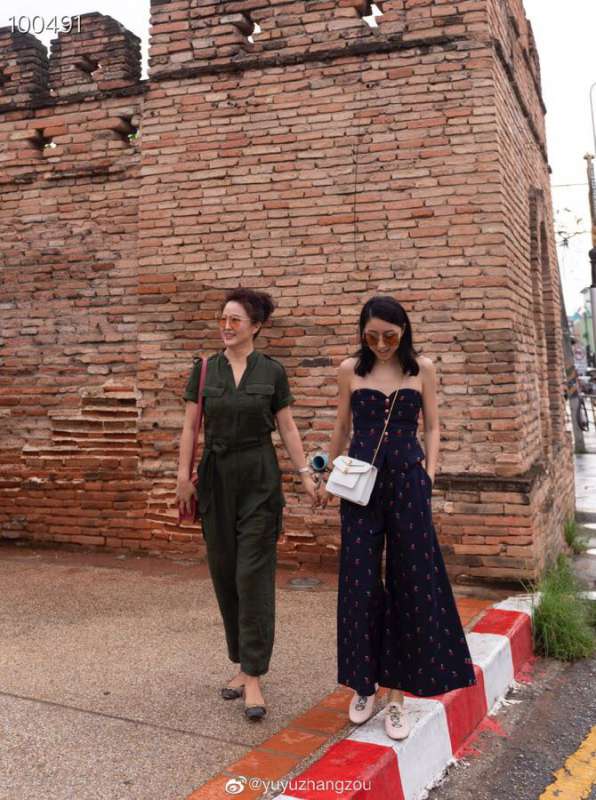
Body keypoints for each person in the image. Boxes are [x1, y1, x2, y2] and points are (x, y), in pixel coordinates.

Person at [320, 295, 476, 740]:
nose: (381, 344)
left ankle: (396, 695)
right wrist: (327, 475)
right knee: (360, 582)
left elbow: (433, 425)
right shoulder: (350, 370)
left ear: (403, 331)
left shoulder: (421, 368)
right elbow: (342, 427)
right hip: (360, 484)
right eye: (372, 336)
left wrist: (429, 475)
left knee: (411, 582)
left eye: (389, 336)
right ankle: (363, 683)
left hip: (408, 481)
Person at [176, 289, 319, 721]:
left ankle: (254, 675)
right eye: (223, 318)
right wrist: (183, 477)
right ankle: (241, 663)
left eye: (235, 320)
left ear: (256, 326)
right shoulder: (205, 369)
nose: (226, 326)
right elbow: (191, 426)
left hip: (259, 477)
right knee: (224, 573)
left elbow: (287, 427)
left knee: (252, 574)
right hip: (216, 478)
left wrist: (305, 474)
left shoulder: (271, 372)